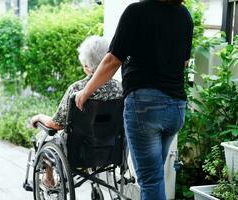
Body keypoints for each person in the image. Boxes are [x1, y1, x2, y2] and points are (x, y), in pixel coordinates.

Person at [75, 0, 194, 199]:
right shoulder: (184, 16)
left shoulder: (136, 12)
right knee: (154, 177)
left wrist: (86, 91)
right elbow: (183, 62)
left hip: (145, 108)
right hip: (176, 107)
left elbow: (112, 60)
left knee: (150, 180)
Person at [30, 35, 123, 187]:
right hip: (110, 149)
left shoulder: (78, 89)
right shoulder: (119, 88)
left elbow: (56, 124)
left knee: (43, 136)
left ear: (87, 66)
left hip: (78, 151)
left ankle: (48, 179)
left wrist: (39, 116)